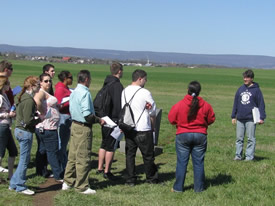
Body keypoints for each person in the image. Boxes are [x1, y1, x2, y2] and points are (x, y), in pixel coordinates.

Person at [62, 70, 105, 194]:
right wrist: (99, 120)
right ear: (86, 79)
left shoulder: (74, 91)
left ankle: (68, 181)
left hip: (74, 124)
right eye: (90, 79)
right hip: (83, 127)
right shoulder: (85, 93)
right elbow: (87, 114)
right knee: (83, 157)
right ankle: (82, 186)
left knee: (72, 155)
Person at [168, 81, 215, 193]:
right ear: (199, 92)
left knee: (182, 162)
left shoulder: (179, 104)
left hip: (183, 134)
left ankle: (178, 188)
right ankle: (199, 188)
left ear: (187, 90)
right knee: (199, 163)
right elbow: (211, 119)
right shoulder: (206, 105)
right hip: (200, 134)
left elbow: (171, 119)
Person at [121, 69, 158, 186]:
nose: (145, 82)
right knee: (148, 155)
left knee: (130, 155)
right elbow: (153, 112)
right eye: (145, 79)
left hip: (129, 127)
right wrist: (153, 126)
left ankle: (130, 179)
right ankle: (151, 178)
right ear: (140, 79)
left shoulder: (124, 91)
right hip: (143, 128)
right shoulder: (145, 92)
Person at [9, 76, 41, 195]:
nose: (39, 87)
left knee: (23, 159)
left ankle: (14, 183)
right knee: (24, 161)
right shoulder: (28, 100)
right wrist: (40, 119)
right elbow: (28, 121)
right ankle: (20, 185)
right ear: (32, 86)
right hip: (25, 131)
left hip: (18, 129)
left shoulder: (22, 97)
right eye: (37, 85)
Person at [231, 69, 266, 161]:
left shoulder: (257, 90)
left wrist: (262, 117)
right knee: (239, 138)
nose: (245, 79)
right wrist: (233, 116)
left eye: (247, 78)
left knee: (250, 139)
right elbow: (236, 103)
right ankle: (238, 156)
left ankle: (249, 157)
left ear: (252, 78)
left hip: (251, 118)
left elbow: (261, 104)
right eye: (244, 77)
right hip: (240, 118)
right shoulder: (240, 89)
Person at [97, 62, 124, 180]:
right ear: (119, 71)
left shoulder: (107, 82)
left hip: (104, 118)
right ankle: (107, 171)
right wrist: (120, 120)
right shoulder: (117, 85)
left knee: (103, 144)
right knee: (111, 146)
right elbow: (118, 105)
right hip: (113, 120)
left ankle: (99, 168)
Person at [34, 74, 63, 181]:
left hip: (44, 127)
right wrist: (42, 112)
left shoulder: (46, 93)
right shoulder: (41, 92)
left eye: (50, 81)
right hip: (48, 128)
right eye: (45, 81)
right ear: (40, 82)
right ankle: (58, 175)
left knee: (42, 150)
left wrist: (56, 106)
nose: (49, 83)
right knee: (52, 151)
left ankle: (41, 171)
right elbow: (37, 101)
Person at [54, 71, 73, 171]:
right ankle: (61, 166)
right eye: (70, 77)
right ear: (65, 78)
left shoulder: (65, 88)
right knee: (62, 142)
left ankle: (63, 164)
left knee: (64, 142)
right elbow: (58, 105)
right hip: (63, 117)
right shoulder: (60, 89)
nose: (72, 79)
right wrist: (70, 101)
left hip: (67, 116)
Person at [0, 73, 17, 179]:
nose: (9, 86)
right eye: (7, 84)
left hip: (7, 126)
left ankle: (11, 175)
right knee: (1, 152)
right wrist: (8, 114)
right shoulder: (0, 97)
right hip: (2, 126)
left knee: (13, 151)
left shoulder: (5, 95)